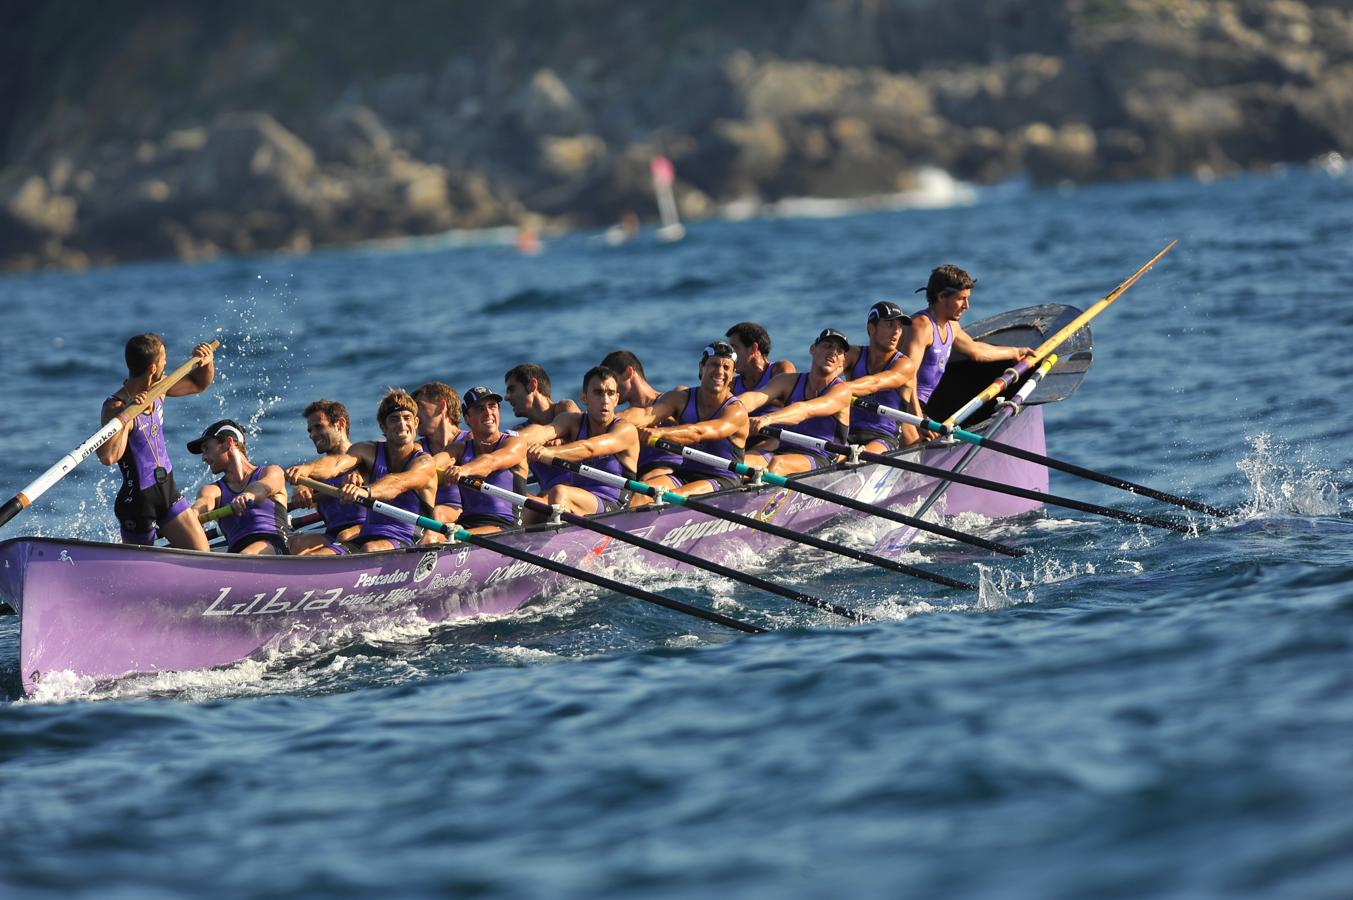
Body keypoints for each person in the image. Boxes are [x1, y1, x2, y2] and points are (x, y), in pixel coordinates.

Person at [97, 333, 215, 550]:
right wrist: (127, 415)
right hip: (138, 502)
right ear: (153, 368)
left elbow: (198, 384)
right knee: (138, 573)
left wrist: (206, 363)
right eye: (164, 359)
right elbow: (108, 457)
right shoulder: (115, 406)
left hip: (167, 491)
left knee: (203, 554)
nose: (166, 362)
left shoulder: (159, 388)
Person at [285, 389, 437, 553]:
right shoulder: (368, 450)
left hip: (408, 538)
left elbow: (398, 484)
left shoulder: (424, 462)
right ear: (383, 427)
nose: (401, 424)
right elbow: (335, 465)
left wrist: (364, 491)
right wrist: (307, 470)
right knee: (313, 557)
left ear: (416, 422)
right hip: (367, 536)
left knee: (369, 547)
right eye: (394, 419)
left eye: (407, 418)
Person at [622, 341, 749, 498]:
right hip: (686, 473)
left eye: (726, 368)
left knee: (676, 495)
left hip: (723, 478)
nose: (719, 371)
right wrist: (609, 421)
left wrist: (660, 433)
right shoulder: (681, 398)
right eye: (714, 364)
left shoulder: (736, 411)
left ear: (732, 375)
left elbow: (698, 432)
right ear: (701, 367)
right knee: (643, 491)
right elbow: (646, 415)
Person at [906, 265, 1036, 416]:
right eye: (961, 299)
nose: (967, 306)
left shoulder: (951, 326)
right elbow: (906, 378)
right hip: (900, 404)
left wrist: (1015, 352)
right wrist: (918, 420)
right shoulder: (921, 326)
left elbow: (976, 350)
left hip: (921, 406)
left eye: (967, 298)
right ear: (941, 297)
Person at [520, 365, 639, 523]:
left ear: (617, 399)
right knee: (525, 503)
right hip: (581, 500)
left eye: (610, 394)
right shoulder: (573, 421)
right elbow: (543, 431)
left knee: (559, 493)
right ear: (584, 398)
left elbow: (589, 448)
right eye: (598, 393)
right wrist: (506, 440)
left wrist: (550, 453)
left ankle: (561, 545)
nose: (605, 400)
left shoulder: (625, 430)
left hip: (615, 506)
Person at [737, 329, 854, 476]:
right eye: (828, 346)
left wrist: (767, 419)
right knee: (740, 465)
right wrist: (729, 410)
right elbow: (754, 397)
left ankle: (764, 498)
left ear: (842, 361)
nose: (834, 353)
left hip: (822, 455)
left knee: (778, 464)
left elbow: (804, 410)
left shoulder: (842, 391)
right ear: (813, 349)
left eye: (840, 351)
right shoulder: (788, 381)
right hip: (784, 448)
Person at [188, 419, 289, 555]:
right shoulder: (212, 490)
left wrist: (248, 495)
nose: (203, 458)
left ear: (228, 443)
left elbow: (264, 487)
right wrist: (192, 514)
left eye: (207, 448)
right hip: (237, 553)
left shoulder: (271, 472)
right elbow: (203, 503)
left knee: (246, 555)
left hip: (274, 547)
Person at [440, 386, 530, 533]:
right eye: (480, 409)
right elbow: (434, 464)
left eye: (492, 406)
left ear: (498, 411)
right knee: (432, 535)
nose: (488, 412)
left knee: (454, 536)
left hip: (505, 528)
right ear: (467, 418)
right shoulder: (458, 449)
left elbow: (491, 462)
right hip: (466, 523)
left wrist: (464, 469)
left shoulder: (515, 443)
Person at [289, 400, 367, 555]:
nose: (312, 435)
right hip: (334, 535)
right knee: (295, 544)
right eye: (310, 430)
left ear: (340, 424)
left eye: (318, 427)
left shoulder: (366, 456)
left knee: (342, 536)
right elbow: (305, 479)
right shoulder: (315, 469)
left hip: (368, 527)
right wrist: (301, 488)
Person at [842, 301, 921, 452]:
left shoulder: (905, 365)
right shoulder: (853, 355)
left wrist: (837, 390)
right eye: (890, 325)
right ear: (871, 328)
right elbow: (823, 376)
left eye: (899, 326)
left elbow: (875, 383)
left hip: (884, 438)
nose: (896, 331)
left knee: (862, 457)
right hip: (848, 434)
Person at [601, 349, 684, 482]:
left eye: (612, 382)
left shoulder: (677, 397)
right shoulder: (622, 418)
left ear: (628, 373)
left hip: (673, 471)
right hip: (636, 475)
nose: (609, 390)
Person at [503, 363, 580, 498]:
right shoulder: (520, 430)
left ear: (532, 385)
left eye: (511, 389)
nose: (506, 397)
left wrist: (563, 440)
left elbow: (582, 442)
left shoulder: (564, 407)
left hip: (580, 492)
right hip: (549, 499)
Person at [411, 381, 465, 542]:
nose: (414, 415)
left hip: (464, 512)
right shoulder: (417, 448)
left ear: (441, 406)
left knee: (437, 513)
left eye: (419, 406)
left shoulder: (470, 441)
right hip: (429, 516)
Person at [724, 322, 795, 416]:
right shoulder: (732, 385)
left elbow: (790, 401)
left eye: (734, 348)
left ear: (753, 348)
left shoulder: (780, 369)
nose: (729, 355)